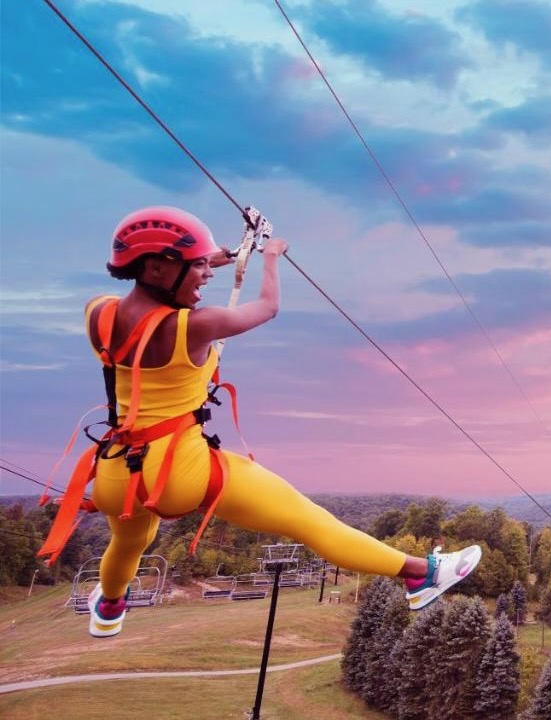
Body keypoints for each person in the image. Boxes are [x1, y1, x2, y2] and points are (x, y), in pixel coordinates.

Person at [37, 206, 481, 638]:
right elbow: (266, 308)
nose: (206, 275)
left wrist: (224, 254)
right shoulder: (194, 326)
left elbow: (154, 293)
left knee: (128, 544)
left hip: (118, 472)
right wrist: (271, 259)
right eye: (196, 267)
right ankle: (422, 575)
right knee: (308, 520)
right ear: (156, 268)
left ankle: (109, 608)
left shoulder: (98, 312)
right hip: (180, 472)